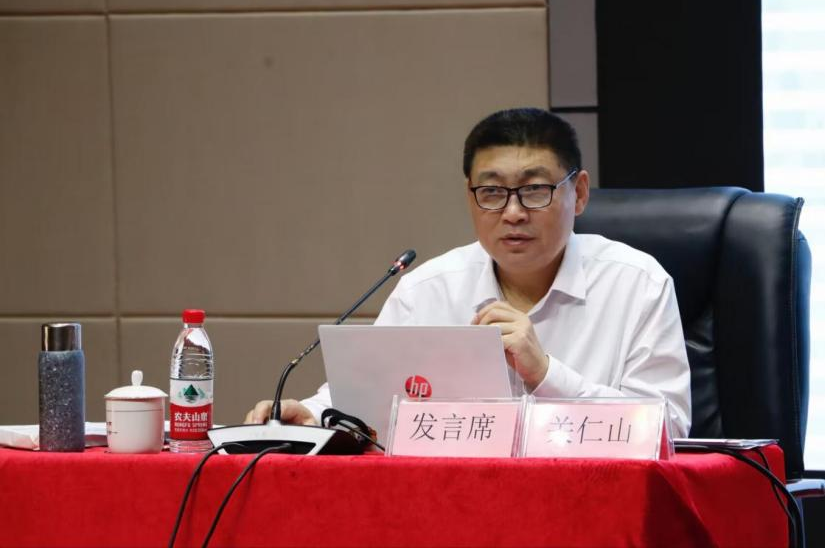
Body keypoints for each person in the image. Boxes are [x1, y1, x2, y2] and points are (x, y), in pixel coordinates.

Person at [246, 108, 692, 437]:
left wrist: (547, 374)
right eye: (492, 192)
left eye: (535, 190)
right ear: (470, 196)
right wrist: (311, 415)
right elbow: (368, 393)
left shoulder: (637, 285)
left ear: (579, 193)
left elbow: (667, 428)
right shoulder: (427, 291)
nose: (513, 212)